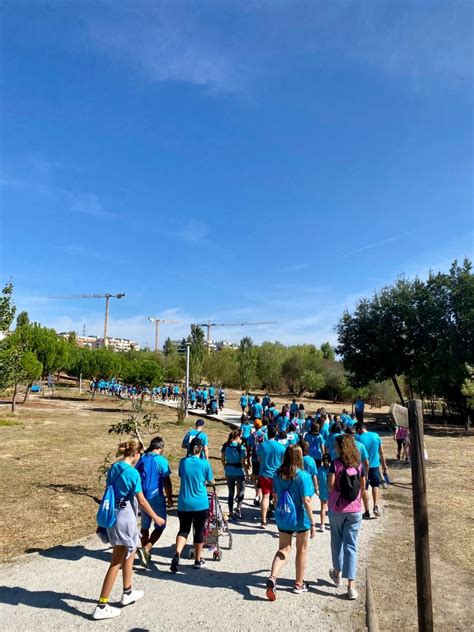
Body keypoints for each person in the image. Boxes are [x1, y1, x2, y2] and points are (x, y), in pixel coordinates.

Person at [92, 439, 165, 621]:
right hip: (125, 518)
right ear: (135, 454)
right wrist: (156, 518)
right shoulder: (133, 473)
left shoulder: (114, 468)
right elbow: (141, 500)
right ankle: (102, 605)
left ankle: (128, 591)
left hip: (116, 515)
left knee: (131, 551)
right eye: (139, 455)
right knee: (116, 560)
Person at [265, 445, 316, 600]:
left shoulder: (277, 474)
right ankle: (299, 583)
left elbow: (275, 496)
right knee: (301, 549)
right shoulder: (303, 476)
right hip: (300, 518)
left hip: (283, 516)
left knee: (284, 548)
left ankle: (273, 577)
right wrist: (313, 522)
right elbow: (306, 500)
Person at [327, 434, 366, 600]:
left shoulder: (335, 463)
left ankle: (337, 572)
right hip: (355, 509)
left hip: (337, 508)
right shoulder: (358, 464)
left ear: (341, 447)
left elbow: (330, 486)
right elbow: (363, 486)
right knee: (351, 546)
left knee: (337, 541)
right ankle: (351, 585)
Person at [170, 438, 215, 573]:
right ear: (201, 449)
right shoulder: (204, 464)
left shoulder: (183, 462)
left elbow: (181, 476)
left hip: (184, 502)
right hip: (200, 503)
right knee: (199, 530)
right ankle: (197, 559)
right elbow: (211, 480)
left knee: (183, 529)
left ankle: (177, 554)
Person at [136, 437, 173, 568]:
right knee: (160, 525)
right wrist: (169, 497)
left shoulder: (142, 458)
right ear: (160, 448)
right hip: (156, 497)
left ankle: (145, 555)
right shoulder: (161, 460)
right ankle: (146, 549)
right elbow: (166, 480)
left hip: (142, 497)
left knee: (145, 526)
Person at [355, 421, 387, 518]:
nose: (356, 432)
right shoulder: (376, 435)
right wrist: (384, 464)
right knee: (375, 485)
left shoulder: (358, 438)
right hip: (375, 465)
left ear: (360, 429)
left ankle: (367, 511)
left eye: (357, 430)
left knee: (364, 487)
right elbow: (381, 452)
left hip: (363, 467)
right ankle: (376, 506)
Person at [257, 426, 286, 528]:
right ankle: (278, 519)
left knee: (265, 496)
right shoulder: (281, 447)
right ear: (276, 434)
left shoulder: (262, 445)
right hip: (276, 475)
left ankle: (263, 520)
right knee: (276, 497)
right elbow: (284, 461)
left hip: (264, 474)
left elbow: (259, 458)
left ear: (267, 434)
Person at [221, 430, 248, 519]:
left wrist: (226, 467)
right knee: (242, 489)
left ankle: (230, 511)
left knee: (231, 492)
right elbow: (243, 462)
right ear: (237, 437)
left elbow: (222, 459)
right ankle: (238, 509)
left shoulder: (225, 446)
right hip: (239, 471)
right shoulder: (241, 447)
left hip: (229, 471)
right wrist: (247, 473)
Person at [317, 453, 331, 531]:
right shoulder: (331, 469)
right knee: (329, 507)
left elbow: (317, 480)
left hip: (323, 490)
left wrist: (317, 487)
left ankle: (323, 524)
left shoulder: (319, 469)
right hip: (329, 490)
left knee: (323, 507)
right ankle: (327, 524)